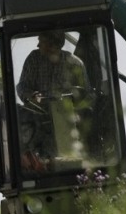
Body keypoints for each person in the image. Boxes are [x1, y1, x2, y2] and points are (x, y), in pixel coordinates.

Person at [15, 31, 89, 172]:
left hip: (68, 123)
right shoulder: (34, 59)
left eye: (41, 41)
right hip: (37, 121)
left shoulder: (75, 64)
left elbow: (86, 95)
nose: (38, 45)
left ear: (53, 45)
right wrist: (32, 95)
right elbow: (22, 86)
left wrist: (74, 100)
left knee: (69, 159)